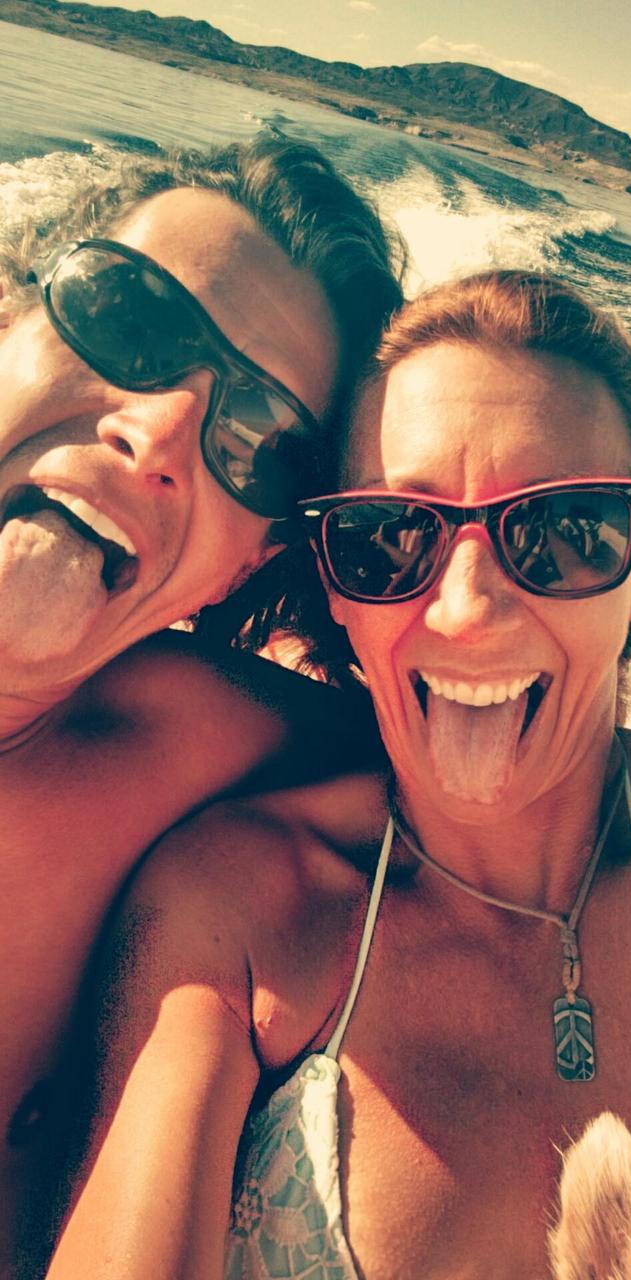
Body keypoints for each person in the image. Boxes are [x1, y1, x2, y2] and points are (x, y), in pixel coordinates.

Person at [46, 271, 631, 1280]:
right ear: (332, 577)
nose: (466, 609)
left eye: (564, 529)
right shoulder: (244, 910)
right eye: (388, 537)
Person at [0, 133, 403, 1276]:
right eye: (128, 318)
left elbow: (544, 780)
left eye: (261, 442)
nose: (160, 433)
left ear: (243, 568)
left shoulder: (196, 746)